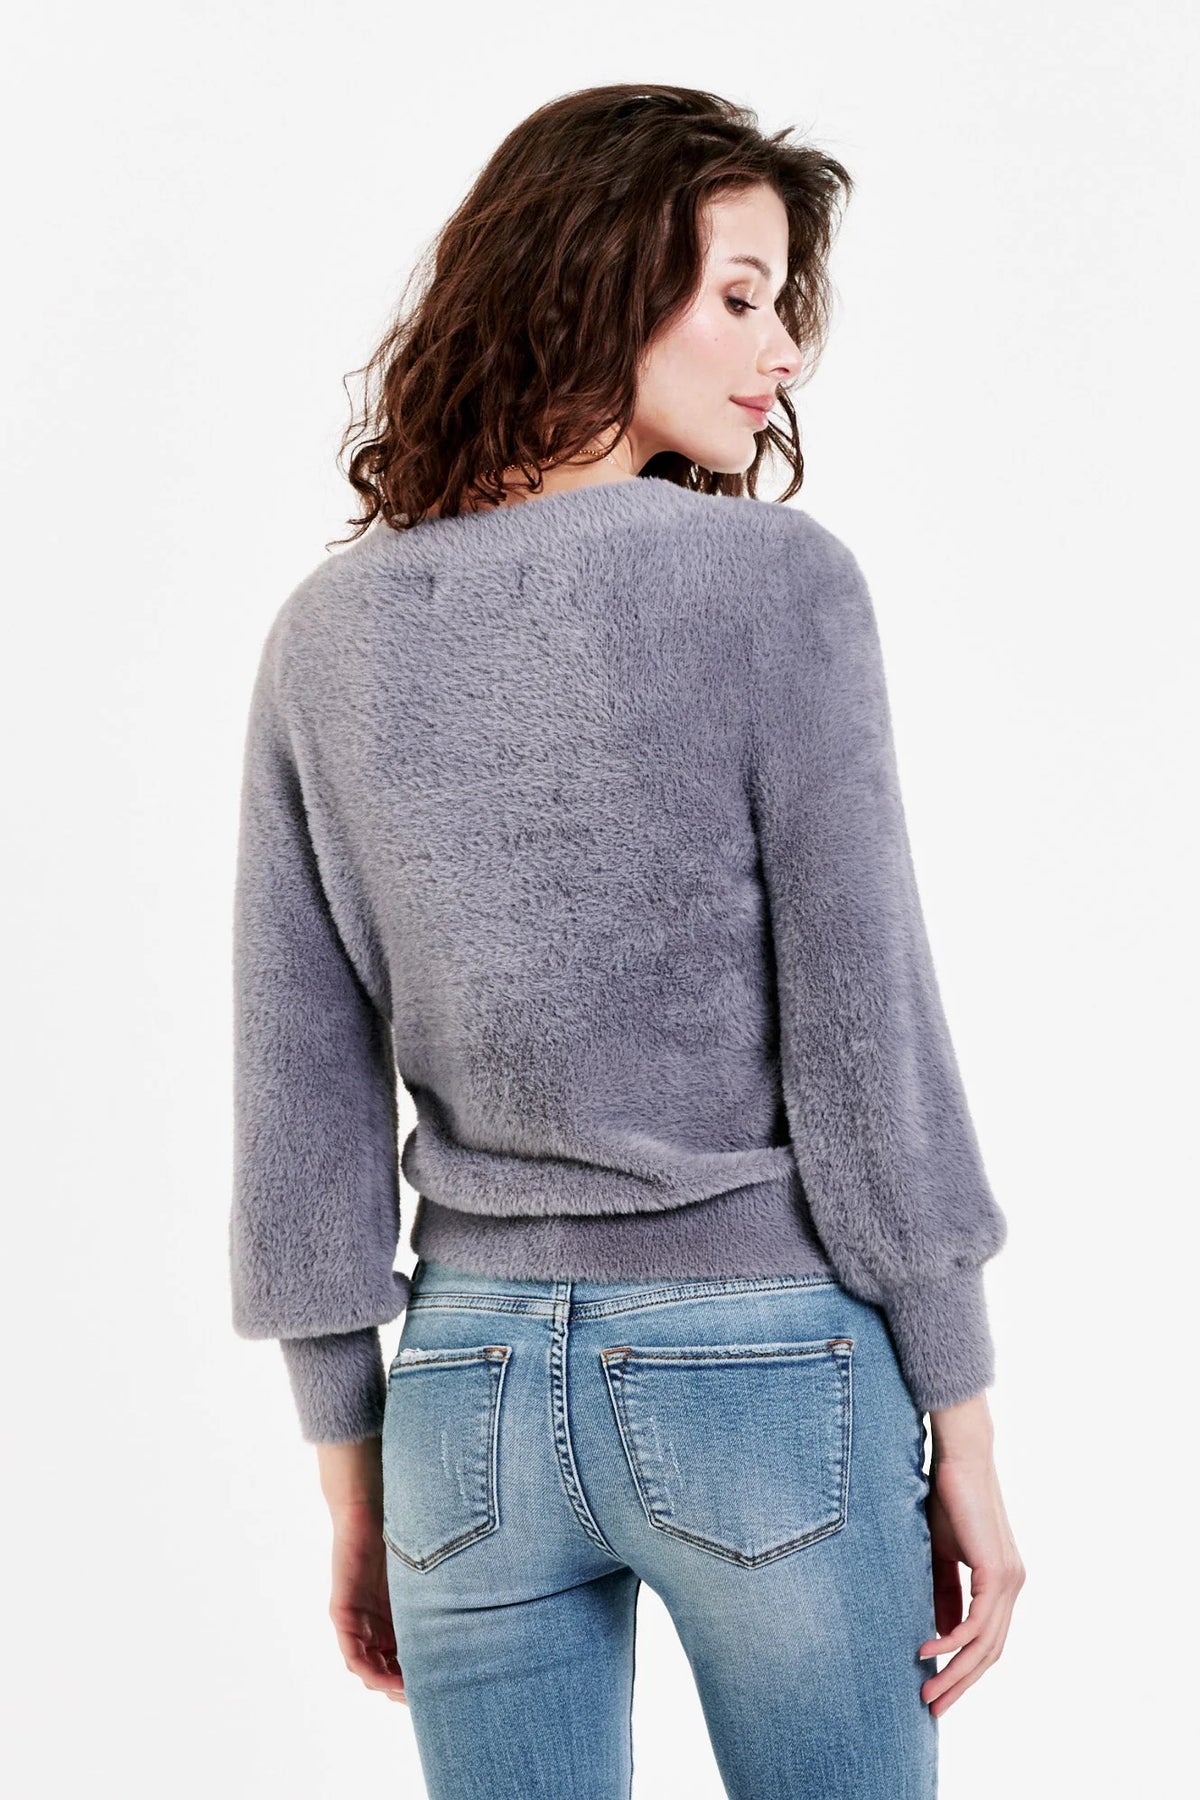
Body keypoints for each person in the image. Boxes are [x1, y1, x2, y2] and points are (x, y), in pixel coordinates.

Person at [230, 83, 1024, 1799]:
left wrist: (350, 1460)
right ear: (597, 277)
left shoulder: (327, 634)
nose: (784, 349)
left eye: (784, 302)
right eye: (740, 294)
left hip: (463, 1400)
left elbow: (300, 1095)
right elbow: (866, 1037)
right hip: (766, 1376)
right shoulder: (775, 584)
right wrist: (961, 1420)